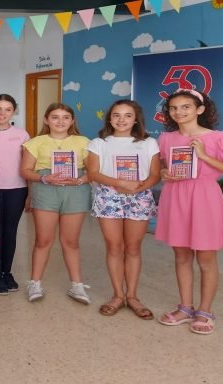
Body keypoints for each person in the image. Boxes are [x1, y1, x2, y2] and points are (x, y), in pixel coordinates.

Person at [155, 89, 223, 335]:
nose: (179, 112)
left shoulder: (220, 138)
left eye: (186, 107)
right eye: (174, 108)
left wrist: (205, 156)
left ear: (200, 109)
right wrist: (165, 174)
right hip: (176, 197)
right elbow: (163, 169)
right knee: (181, 255)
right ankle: (185, 308)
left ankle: (205, 311)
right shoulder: (166, 139)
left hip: (205, 198)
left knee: (206, 258)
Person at [86, 100, 160, 319]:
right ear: (109, 118)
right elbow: (93, 173)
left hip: (140, 195)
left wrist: (139, 187)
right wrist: (121, 184)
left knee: (134, 247)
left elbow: (155, 174)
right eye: (116, 115)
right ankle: (118, 295)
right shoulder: (99, 143)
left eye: (127, 115)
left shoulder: (148, 143)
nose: (121, 119)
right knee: (114, 246)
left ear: (136, 119)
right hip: (109, 197)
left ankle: (133, 296)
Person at [20, 103, 91, 304]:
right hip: (45, 190)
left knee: (71, 241)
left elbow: (93, 172)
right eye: (55, 117)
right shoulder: (36, 142)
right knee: (43, 240)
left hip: (76, 190)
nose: (60, 121)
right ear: (46, 120)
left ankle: (77, 286)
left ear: (72, 121)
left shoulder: (84, 142)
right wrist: (44, 179)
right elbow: (25, 170)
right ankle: (35, 283)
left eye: (65, 117)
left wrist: (78, 180)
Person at [0, 94, 30, 295]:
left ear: (14, 111)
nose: (2, 113)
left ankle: (7, 272)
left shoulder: (22, 135)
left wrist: (30, 194)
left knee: (10, 231)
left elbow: (29, 165)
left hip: (17, 189)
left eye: (7, 109)